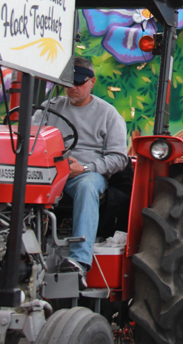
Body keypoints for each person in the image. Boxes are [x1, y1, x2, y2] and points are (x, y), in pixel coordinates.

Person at [36, 56, 128, 288]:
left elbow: (119, 158)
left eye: (79, 82)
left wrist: (85, 168)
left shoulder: (108, 114)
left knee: (87, 187)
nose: (73, 88)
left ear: (92, 82)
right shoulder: (51, 107)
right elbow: (30, 135)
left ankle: (79, 260)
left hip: (85, 174)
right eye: (68, 83)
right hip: (50, 171)